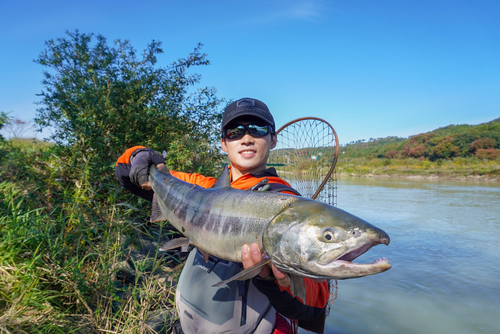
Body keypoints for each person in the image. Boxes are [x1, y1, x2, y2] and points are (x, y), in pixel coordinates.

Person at [115, 98, 330, 334]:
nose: (246, 138)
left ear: (273, 139)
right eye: (235, 131)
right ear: (223, 143)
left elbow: (315, 302)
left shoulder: (286, 203)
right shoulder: (202, 189)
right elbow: (134, 177)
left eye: (257, 129)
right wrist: (139, 155)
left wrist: (269, 279)